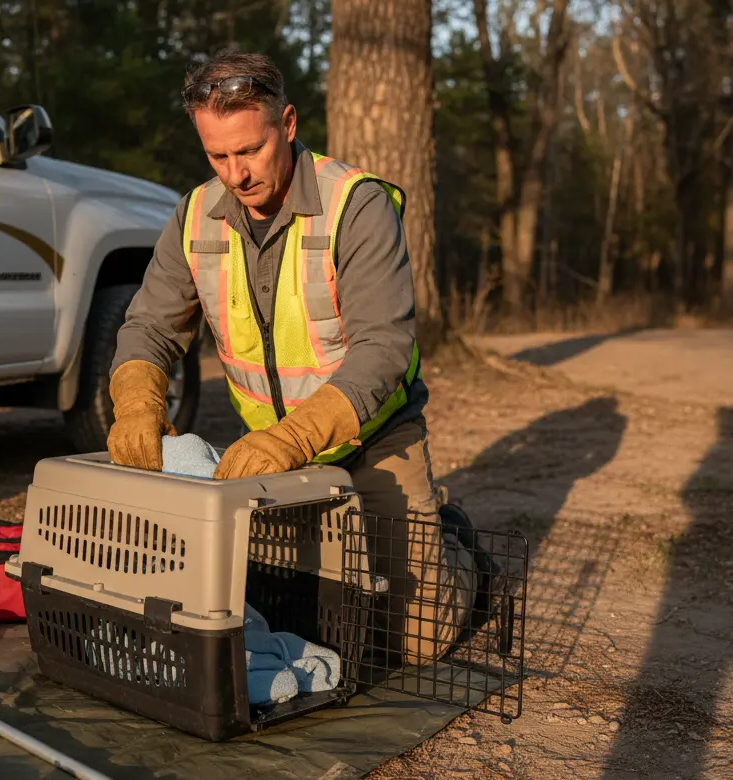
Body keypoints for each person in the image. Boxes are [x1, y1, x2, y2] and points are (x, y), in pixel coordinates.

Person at [105, 49, 474, 664]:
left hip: (373, 441)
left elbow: (384, 348)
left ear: (290, 124)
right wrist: (136, 401)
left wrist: (292, 439)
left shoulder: (357, 205)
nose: (236, 173)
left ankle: (454, 548)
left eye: (250, 150)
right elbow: (149, 325)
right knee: (289, 613)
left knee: (416, 643)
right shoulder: (195, 215)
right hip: (273, 463)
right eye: (217, 156)